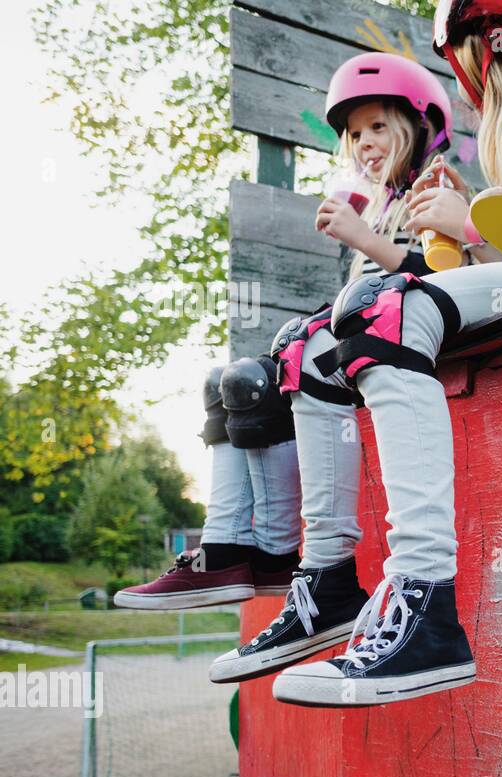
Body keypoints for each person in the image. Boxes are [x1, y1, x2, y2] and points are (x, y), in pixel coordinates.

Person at [267, 0, 502, 707]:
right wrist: (470, 231)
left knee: (386, 310)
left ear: (490, 40)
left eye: (466, 51)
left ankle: (426, 605)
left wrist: (470, 219)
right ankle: (326, 581)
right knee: (319, 343)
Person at [110, 53, 453, 677]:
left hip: (408, 351)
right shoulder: (374, 205)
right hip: (358, 353)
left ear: (419, 124)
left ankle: (297, 561)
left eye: (379, 126)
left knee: (286, 358)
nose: (365, 144)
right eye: (354, 135)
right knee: (234, 381)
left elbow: (444, 279)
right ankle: (234, 550)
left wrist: (365, 238)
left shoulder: (437, 187)